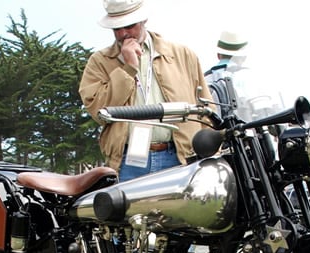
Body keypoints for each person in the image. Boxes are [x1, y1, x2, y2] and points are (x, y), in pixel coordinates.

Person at [79, 0, 212, 181]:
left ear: (144, 20)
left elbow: (206, 108)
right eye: (116, 28)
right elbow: (99, 111)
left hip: (181, 157)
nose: (123, 33)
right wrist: (128, 68)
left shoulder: (182, 55)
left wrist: (211, 153)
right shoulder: (100, 61)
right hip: (128, 161)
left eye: (129, 26)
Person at [205, 30, 282, 122]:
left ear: (218, 55)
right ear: (243, 57)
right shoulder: (249, 76)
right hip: (246, 128)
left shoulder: (205, 79)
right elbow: (265, 112)